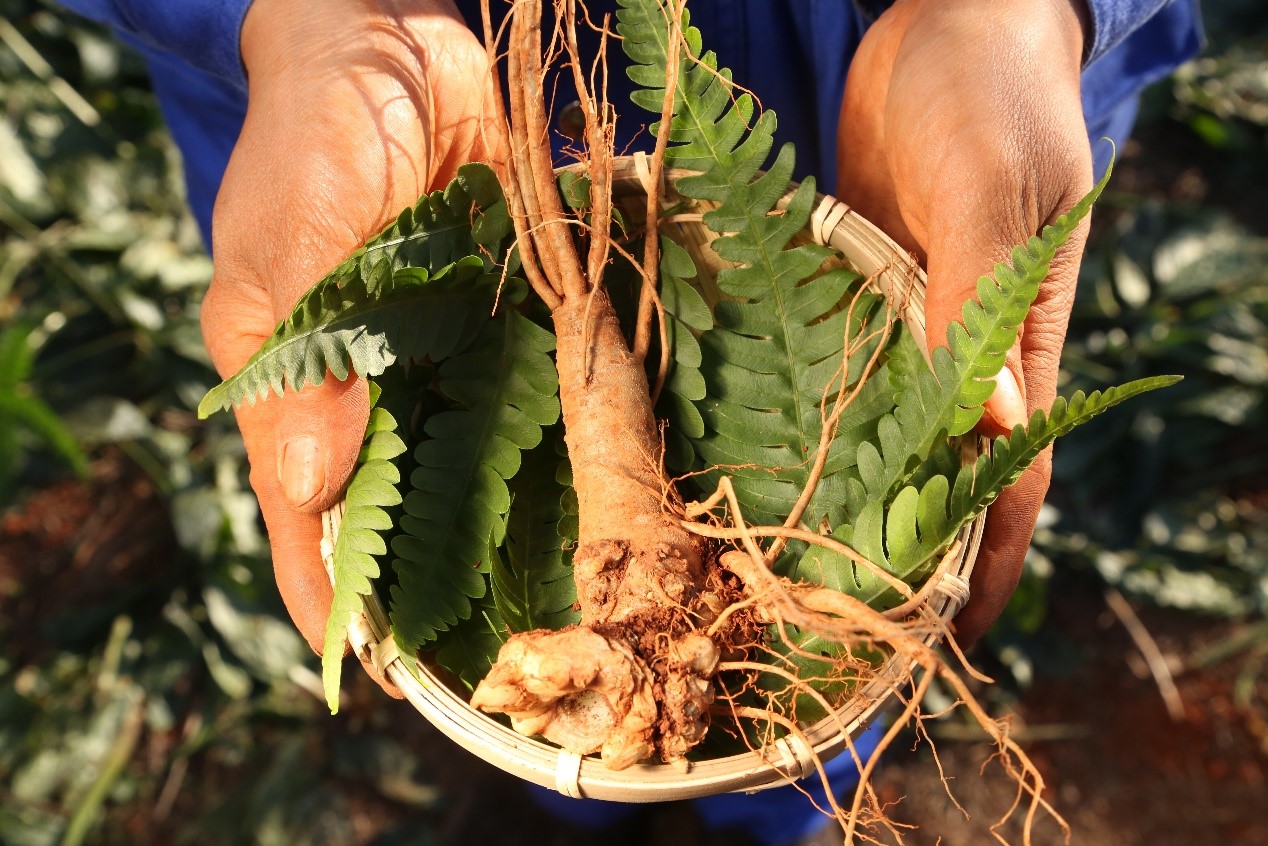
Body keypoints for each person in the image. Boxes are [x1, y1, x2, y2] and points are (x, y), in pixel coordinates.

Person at [57, 1, 1202, 843]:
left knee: (853, 655)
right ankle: (578, 812)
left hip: (910, 116)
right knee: (564, 739)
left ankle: (796, 813)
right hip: (388, 131)